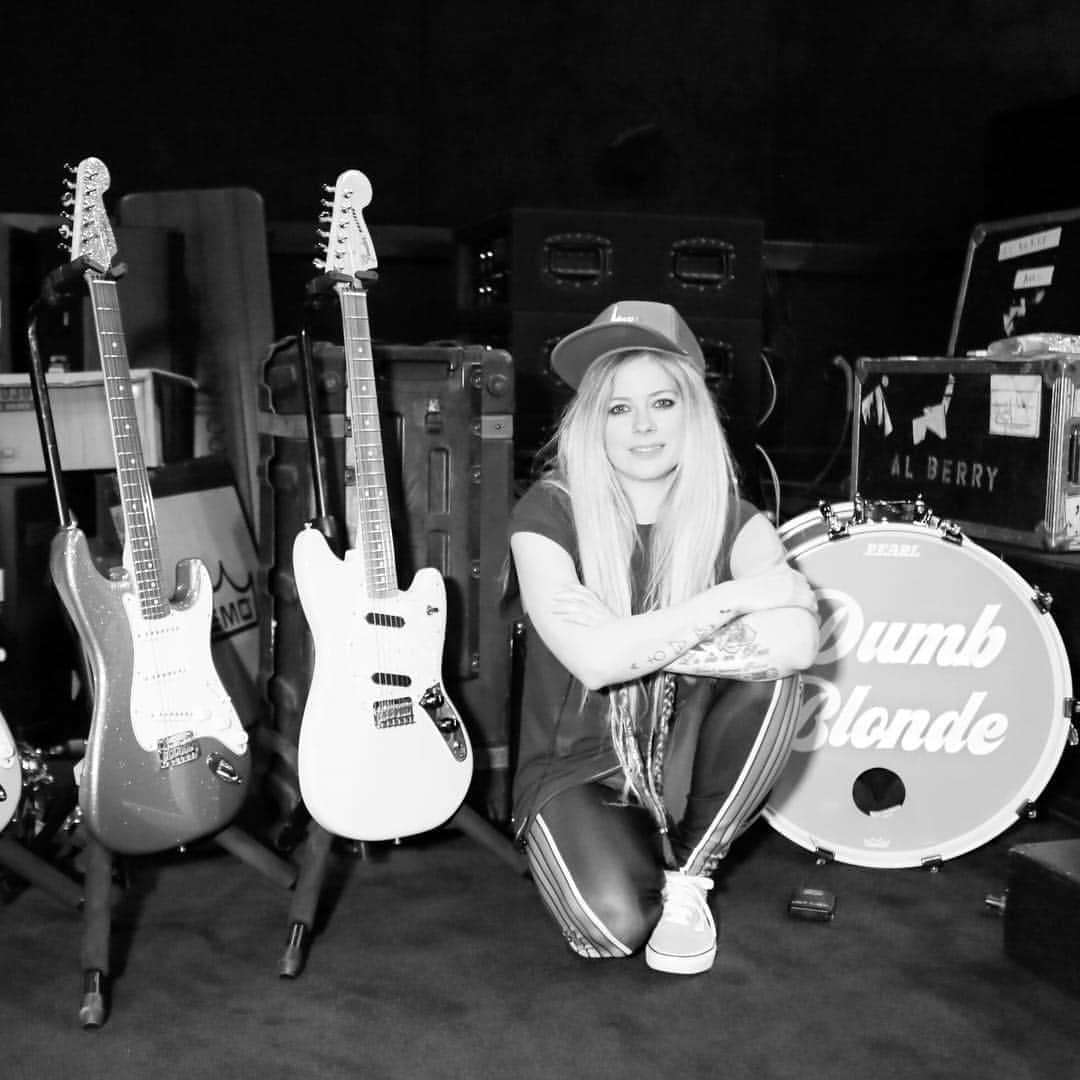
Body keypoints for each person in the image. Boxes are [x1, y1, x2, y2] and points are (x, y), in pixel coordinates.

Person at [506, 300, 820, 975]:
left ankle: (691, 875)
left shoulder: (738, 521)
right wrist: (735, 600)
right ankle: (633, 851)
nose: (643, 426)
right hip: (577, 767)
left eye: (663, 402)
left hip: (683, 757)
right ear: (593, 421)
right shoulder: (548, 513)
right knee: (610, 929)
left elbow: (795, 644)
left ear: (694, 411)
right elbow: (594, 663)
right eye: (618, 409)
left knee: (777, 682)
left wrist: (629, 642)